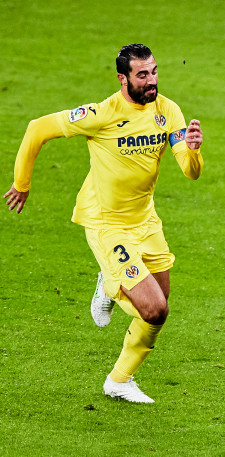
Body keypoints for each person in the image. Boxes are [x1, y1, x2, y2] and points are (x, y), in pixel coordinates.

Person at [4, 43, 204, 403]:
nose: (152, 80)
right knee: (154, 307)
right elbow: (37, 128)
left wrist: (192, 149)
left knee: (157, 311)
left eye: (154, 71)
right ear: (123, 78)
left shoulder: (168, 111)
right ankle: (111, 284)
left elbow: (191, 172)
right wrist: (22, 183)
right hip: (106, 222)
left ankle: (118, 381)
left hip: (145, 220)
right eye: (142, 74)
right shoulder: (102, 113)